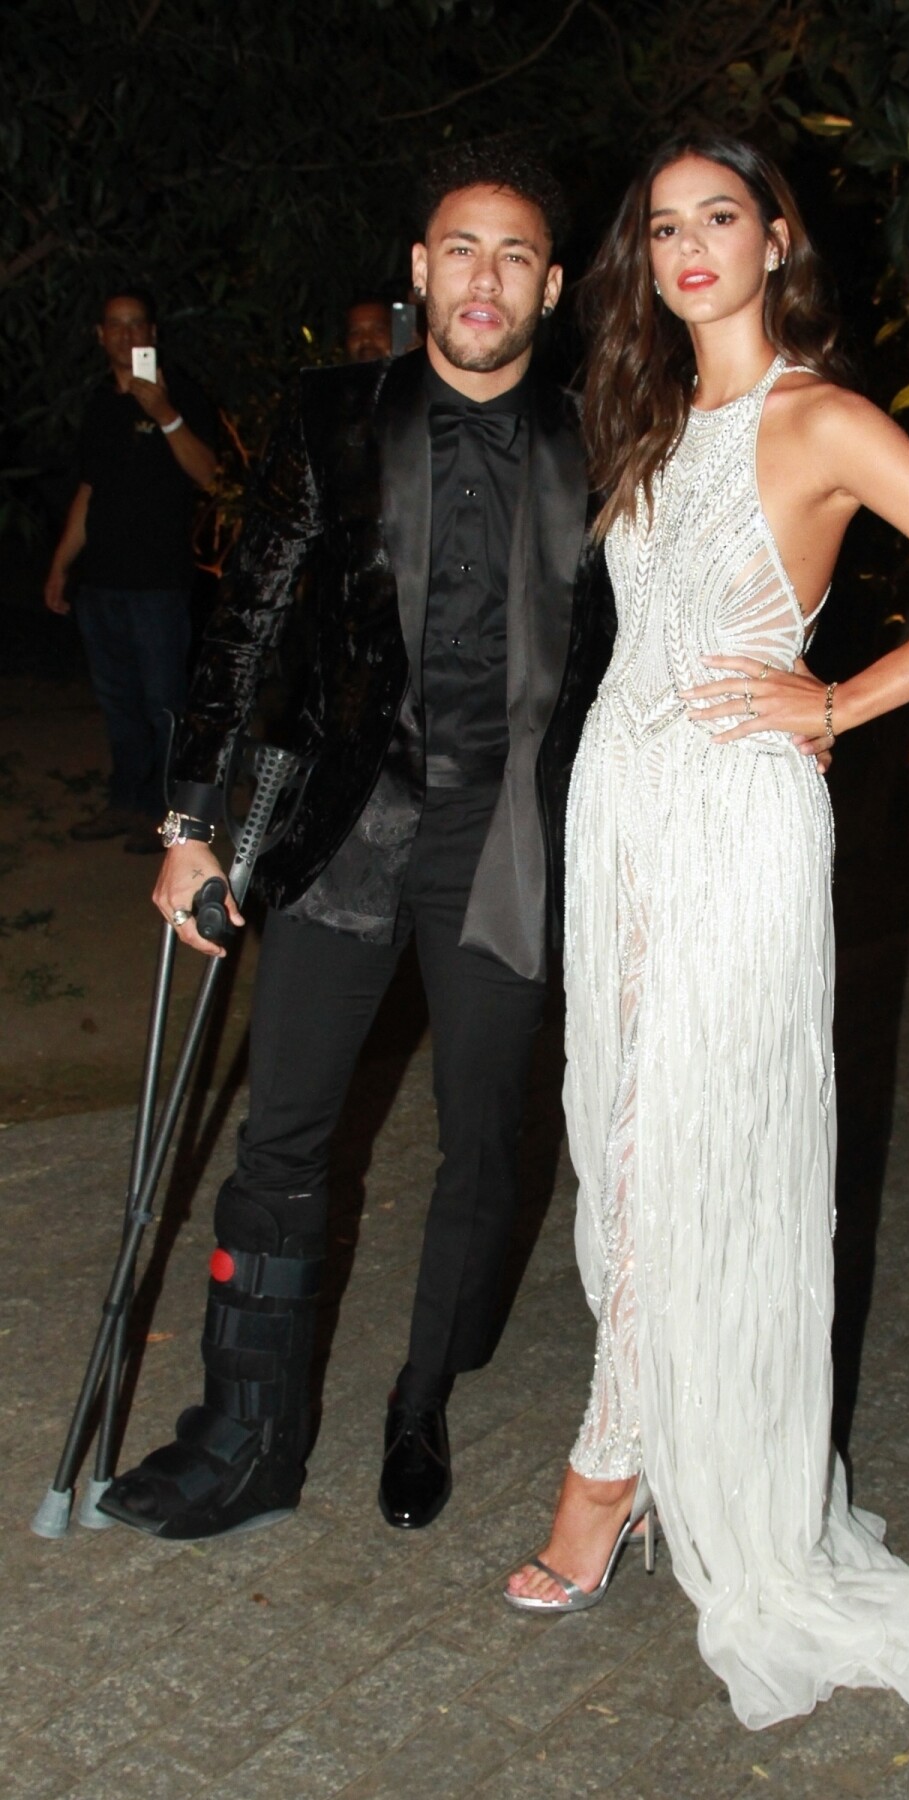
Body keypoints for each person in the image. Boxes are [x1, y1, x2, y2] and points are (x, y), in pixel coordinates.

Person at [504, 133, 909, 1730]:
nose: (688, 248)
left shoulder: (819, 415)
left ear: (775, 239)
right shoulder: (649, 413)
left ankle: (606, 1475)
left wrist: (837, 701)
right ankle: (668, 1435)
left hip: (738, 822)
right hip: (619, 814)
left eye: (718, 219)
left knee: (685, 1151)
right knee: (617, 1149)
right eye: (663, 226)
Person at [98, 145, 614, 1542]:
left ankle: (422, 1397)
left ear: (552, 287)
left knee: (485, 1144)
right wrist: (188, 821)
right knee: (280, 1142)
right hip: (354, 830)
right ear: (418, 270)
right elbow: (252, 623)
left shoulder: (606, 436)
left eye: (514, 255)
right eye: (461, 249)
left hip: (508, 841)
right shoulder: (330, 417)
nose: (484, 278)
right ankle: (247, 1439)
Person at [44, 287, 218, 853]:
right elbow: (88, 494)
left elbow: (211, 476)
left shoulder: (181, 393)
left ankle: (169, 818)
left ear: (152, 332)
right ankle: (126, 802)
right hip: (102, 586)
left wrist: (165, 415)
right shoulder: (100, 405)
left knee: (165, 705)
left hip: (158, 586)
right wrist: (60, 567)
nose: (126, 334)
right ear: (100, 335)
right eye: (114, 325)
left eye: (136, 323)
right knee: (119, 704)